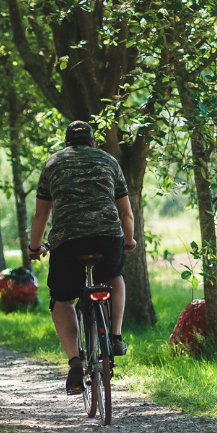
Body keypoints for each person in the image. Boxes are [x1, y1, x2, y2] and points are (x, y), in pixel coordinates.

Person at [28, 120, 137, 395]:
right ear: (93, 143)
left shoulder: (53, 164)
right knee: (113, 277)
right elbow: (126, 213)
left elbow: (41, 214)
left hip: (68, 242)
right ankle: (115, 338)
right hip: (107, 237)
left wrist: (34, 247)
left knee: (62, 300)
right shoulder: (109, 161)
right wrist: (129, 239)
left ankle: (75, 362)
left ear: (66, 143)